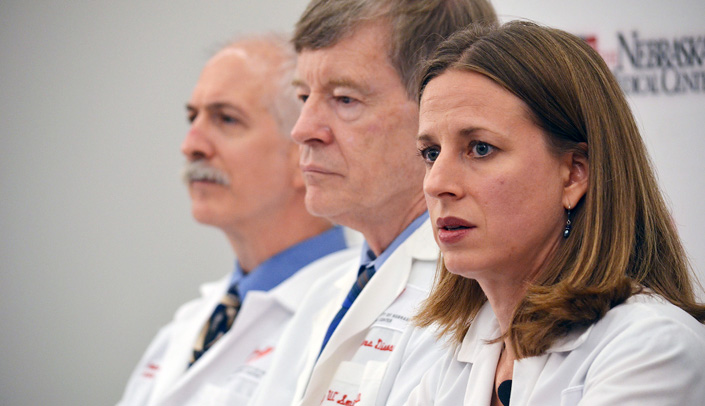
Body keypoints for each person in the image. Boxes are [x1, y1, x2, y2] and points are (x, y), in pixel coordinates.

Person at [405, 21, 705, 405]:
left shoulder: (654, 349)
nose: (435, 183)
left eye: (480, 148)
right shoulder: (453, 359)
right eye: (431, 153)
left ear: (574, 174)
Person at [248, 1, 498, 405]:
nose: (302, 129)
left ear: (440, 105)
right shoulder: (325, 292)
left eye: (344, 99)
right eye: (303, 95)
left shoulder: (478, 293)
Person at [116, 34, 358, 406]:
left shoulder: (351, 322)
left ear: (304, 149)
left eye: (226, 119)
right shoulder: (192, 323)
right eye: (192, 117)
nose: (191, 144)